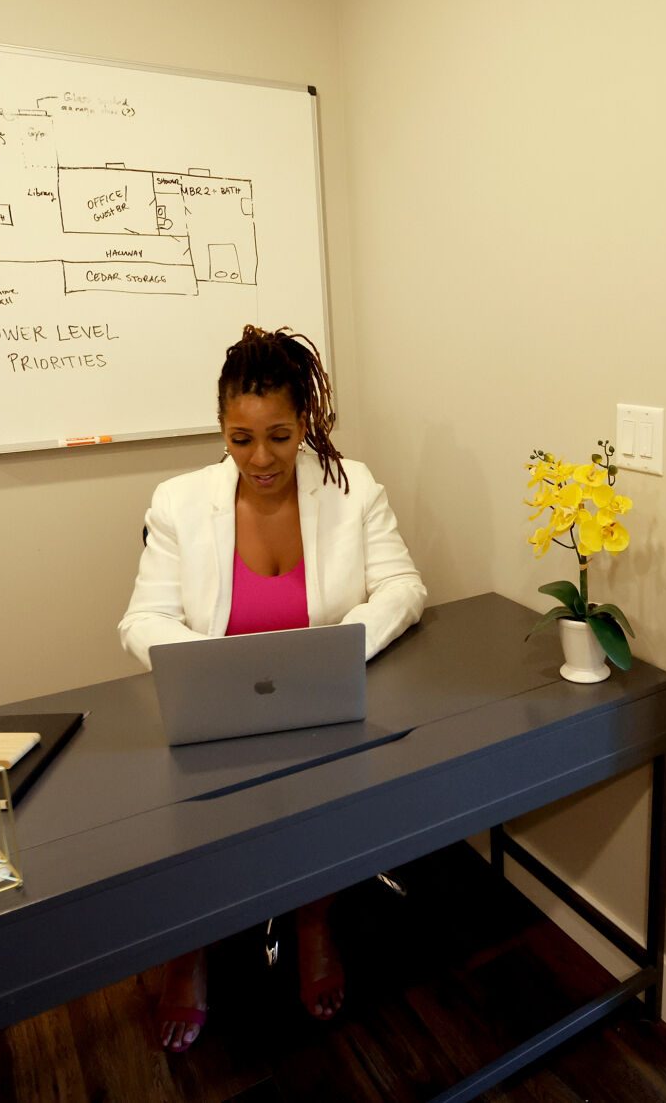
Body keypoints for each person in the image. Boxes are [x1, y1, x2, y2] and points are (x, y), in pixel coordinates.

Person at [119, 325, 426, 1052]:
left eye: (280, 437)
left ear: (306, 425)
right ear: (221, 429)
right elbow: (143, 617)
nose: (260, 459)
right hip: (217, 710)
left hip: (317, 703)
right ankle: (189, 948)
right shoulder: (178, 502)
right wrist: (211, 669)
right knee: (189, 815)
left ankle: (313, 918)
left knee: (327, 795)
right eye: (239, 438)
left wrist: (343, 644)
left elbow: (403, 586)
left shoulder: (352, 488)